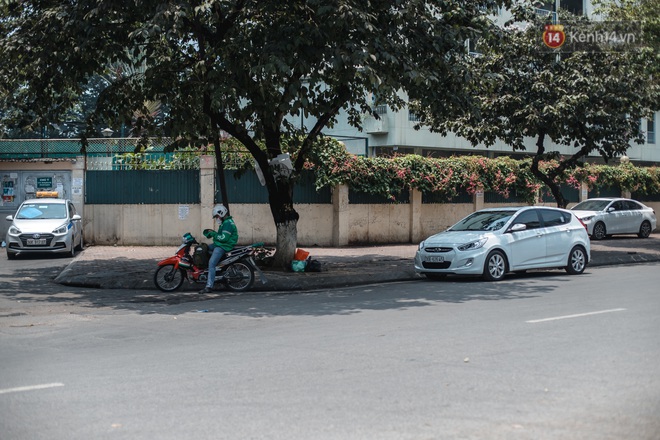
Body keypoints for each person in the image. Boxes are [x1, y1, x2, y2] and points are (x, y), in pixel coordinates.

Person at [199, 204, 238, 293]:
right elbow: (221, 236)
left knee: (211, 263)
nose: (216, 218)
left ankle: (209, 286)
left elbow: (224, 238)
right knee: (204, 249)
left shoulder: (227, 223)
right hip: (221, 244)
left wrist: (213, 234)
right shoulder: (226, 222)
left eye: (217, 216)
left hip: (224, 245)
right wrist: (213, 233)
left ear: (221, 214)